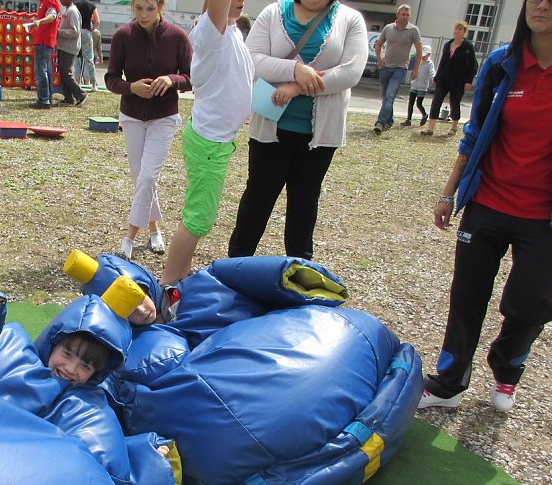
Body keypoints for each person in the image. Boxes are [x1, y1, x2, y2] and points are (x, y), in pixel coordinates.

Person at [418, 0, 552, 413]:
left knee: (530, 303)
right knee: (467, 295)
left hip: (548, 217)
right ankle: (450, 383)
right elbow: (474, 132)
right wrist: (450, 192)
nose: (541, 5)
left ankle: (506, 368)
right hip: (489, 202)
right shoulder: (503, 63)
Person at [227, 0, 368, 261]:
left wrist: (297, 86)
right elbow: (253, 59)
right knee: (259, 195)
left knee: (304, 200)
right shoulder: (273, 13)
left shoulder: (350, 19)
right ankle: (236, 264)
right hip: (272, 124)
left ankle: (301, 268)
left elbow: (351, 72)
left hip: (320, 133)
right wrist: (295, 69)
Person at [159, 0, 253, 285]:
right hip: (210, 142)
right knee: (198, 219)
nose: (239, 2)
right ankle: (166, 287)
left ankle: (178, 283)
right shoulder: (214, 34)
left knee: (197, 216)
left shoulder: (232, 30)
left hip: (215, 141)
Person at [104, 0, 192, 260]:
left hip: (164, 116)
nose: (143, 14)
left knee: (148, 176)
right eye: (139, 7)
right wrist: (131, 87)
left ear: (161, 6)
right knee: (140, 177)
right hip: (131, 115)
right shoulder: (123, 35)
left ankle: (129, 236)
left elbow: (190, 77)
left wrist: (171, 79)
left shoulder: (178, 36)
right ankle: (154, 229)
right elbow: (110, 78)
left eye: (149, 8)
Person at [422, 21, 479, 137]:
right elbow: (442, 62)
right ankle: (430, 128)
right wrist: (437, 77)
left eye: (460, 29)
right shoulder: (448, 45)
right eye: (456, 29)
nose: (457, 31)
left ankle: (453, 127)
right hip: (444, 79)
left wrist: (469, 81)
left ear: (464, 32)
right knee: (436, 102)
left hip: (459, 80)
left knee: (455, 103)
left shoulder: (467, 47)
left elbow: (473, 65)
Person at [373, 4, 422, 134]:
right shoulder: (388, 28)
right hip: (385, 67)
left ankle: (380, 122)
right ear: (397, 15)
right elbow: (378, 44)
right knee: (386, 97)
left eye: (407, 15)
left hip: (400, 68)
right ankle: (389, 121)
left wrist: (416, 69)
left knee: (390, 95)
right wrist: (379, 58)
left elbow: (419, 50)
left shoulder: (413, 30)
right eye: (403, 14)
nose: (405, 17)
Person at [28, 0, 60, 108]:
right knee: (46, 71)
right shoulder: (47, 2)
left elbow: (53, 16)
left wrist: (39, 21)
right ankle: (47, 98)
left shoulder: (48, 2)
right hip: (46, 41)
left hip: (43, 41)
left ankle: (44, 99)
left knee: (41, 71)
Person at [56, 0, 87, 106]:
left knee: (66, 72)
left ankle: (81, 94)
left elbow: (74, 31)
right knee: (64, 72)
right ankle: (68, 98)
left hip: (69, 47)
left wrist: (59, 32)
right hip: (64, 46)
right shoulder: (68, 10)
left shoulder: (72, 11)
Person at [402, 43, 434, 127]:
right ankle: (408, 120)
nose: (423, 57)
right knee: (411, 103)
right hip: (414, 85)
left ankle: (424, 115)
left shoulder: (429, 64)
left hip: (422, 87)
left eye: (425, 55)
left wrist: (434, 78)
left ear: (429, 54)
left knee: (419, 104)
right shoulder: (418, 62)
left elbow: (432, 73)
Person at [74, 0, 100, 90]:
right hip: (86, 32)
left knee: (75, 58)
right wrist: (91, 30)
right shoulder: (92, 5)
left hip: (76, 32)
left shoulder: (75, 4)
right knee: (89, 59)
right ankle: (93, 84)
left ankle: (74, 82)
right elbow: (97, 21)